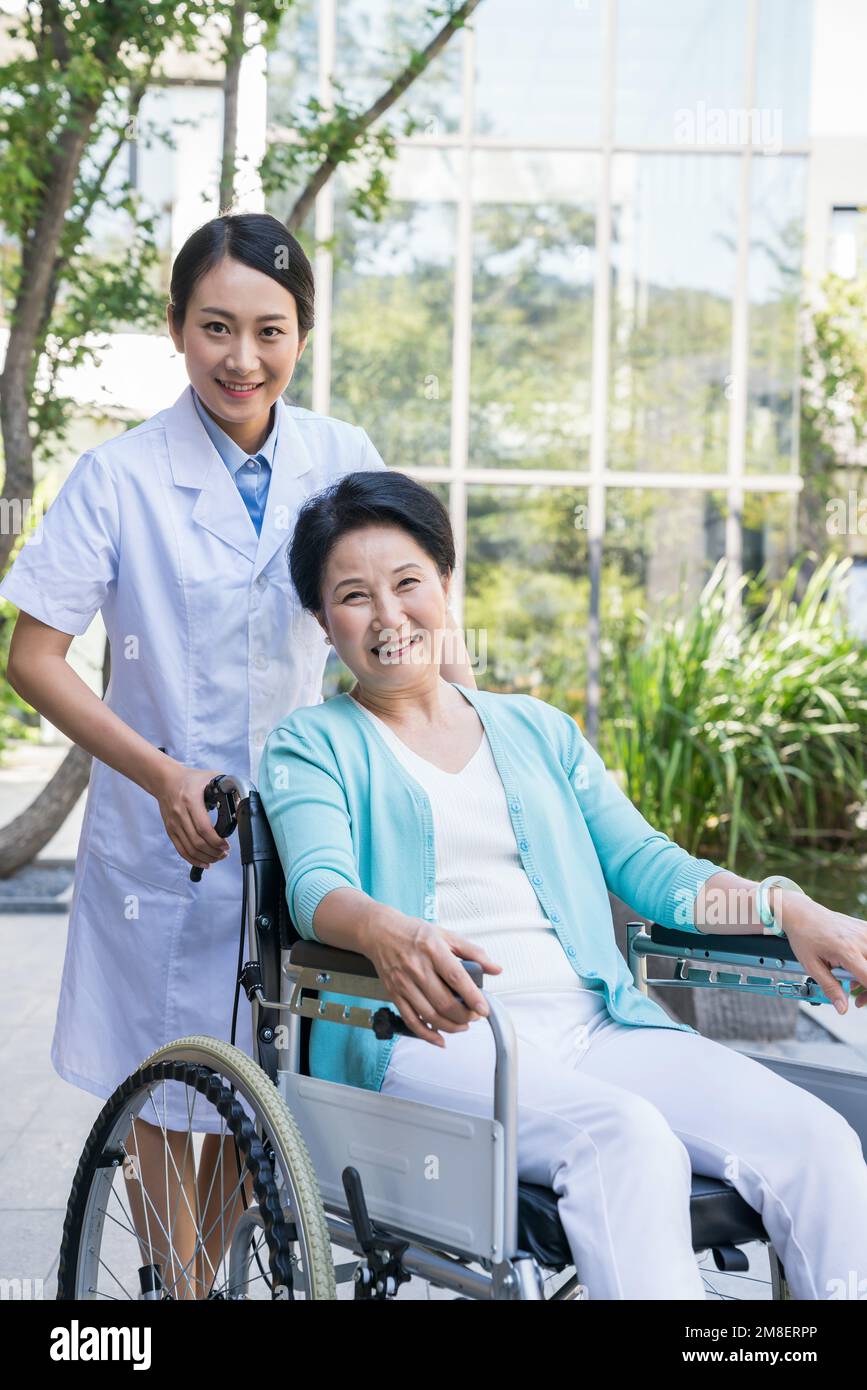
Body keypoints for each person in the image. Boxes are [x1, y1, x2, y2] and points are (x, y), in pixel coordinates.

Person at [0, 213, 477, 1294]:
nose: (242, 357)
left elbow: (398, 619)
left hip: (315, 834)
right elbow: (34, 657)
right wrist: (159, 770)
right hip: (168, 851)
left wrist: (465, 724)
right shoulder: (118, 476)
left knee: (283, 1105)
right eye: (216, 327)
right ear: (176, 328)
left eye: (270, 329)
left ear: (302, 333)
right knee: (178, 1097)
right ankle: (177, 1291)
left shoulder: (339, 455)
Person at [259, 467, 867, 1300]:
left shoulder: (537, 729)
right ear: (324, 623)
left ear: (444, 581)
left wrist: (782, 906)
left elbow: (652, 870)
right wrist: (384, 931)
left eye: (407, 583)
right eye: (354, 596)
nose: (389, 615)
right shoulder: (312, 744)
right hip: (431, 1042)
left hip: (595, 1029)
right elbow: (316, 888)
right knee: (627, 1140)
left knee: (817, 1140)